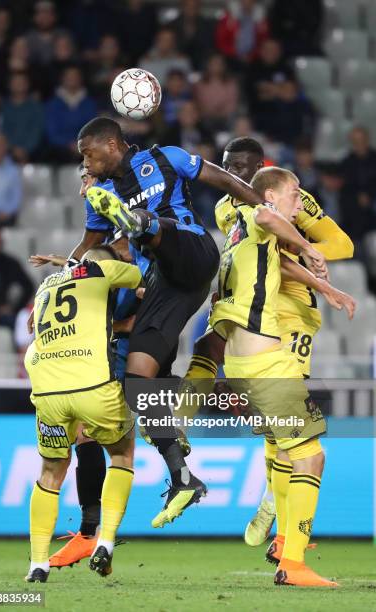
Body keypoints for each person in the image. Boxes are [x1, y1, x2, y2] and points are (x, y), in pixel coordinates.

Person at [79, 116, 326, 527]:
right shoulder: (99, 193)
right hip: (167, 285)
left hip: (192, 250)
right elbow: (87, 248)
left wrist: (267, 210)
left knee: (146, 227)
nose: (85, 162)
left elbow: (226, 182)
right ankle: (182, 477)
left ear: (110, 144)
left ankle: (139, 222)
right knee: (139, 378)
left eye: (88, 153)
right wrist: (59, 281)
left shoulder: (166, 158)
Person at [174, 136, 354, 552]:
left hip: (293, 314)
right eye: (224, 166)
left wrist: (306, 250)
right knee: (275, 426)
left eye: (238, 167)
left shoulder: (294, 199)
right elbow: (257, 256)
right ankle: (280, 515)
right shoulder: (226, 209)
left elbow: (343, 244)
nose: (229, 176)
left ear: (259, 169)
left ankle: (281, 518)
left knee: (288, 430)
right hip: (256, 312)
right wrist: (285, 250)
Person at [209, 167, 352, 587]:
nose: (298, 202)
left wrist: (325, 289)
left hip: (242, 363)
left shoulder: (239, 234)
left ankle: (286, 544)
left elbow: (280, 265)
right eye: (293, 194)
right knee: (311, 456)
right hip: (267, 363)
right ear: (269, 195)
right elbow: (269, 217)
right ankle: (295, 563)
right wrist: (307, 244)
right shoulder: (260, 215)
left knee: (291, 452)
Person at [24, 245, 141, 582]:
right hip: (92, 386)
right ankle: (104, 540)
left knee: (49, 473)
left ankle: (37, 563)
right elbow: (140, 275)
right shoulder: (101, 270)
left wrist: (64, 261)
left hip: (48, 391)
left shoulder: (45, 286)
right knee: (122, 452)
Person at [45, 65, 98, 163]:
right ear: (63, 79)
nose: (72, 79)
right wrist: (69, 144)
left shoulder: (90, 104)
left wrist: (81, 144)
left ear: (80, 79)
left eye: (75, 76)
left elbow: (93, 130)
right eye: (69, 76)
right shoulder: (52, 104)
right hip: (60, 150)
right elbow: (52, 133)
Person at [1, 71, 44, 163]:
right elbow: (2, 130)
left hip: (32, 154)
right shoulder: (2, 107)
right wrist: (12, 149)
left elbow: (37, 131)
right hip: (6, 152)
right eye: (15, 82)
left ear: (27, 85)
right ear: (9, 85)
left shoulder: (36, 107)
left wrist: (25, 149)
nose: (19, 84)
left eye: (22, 82)